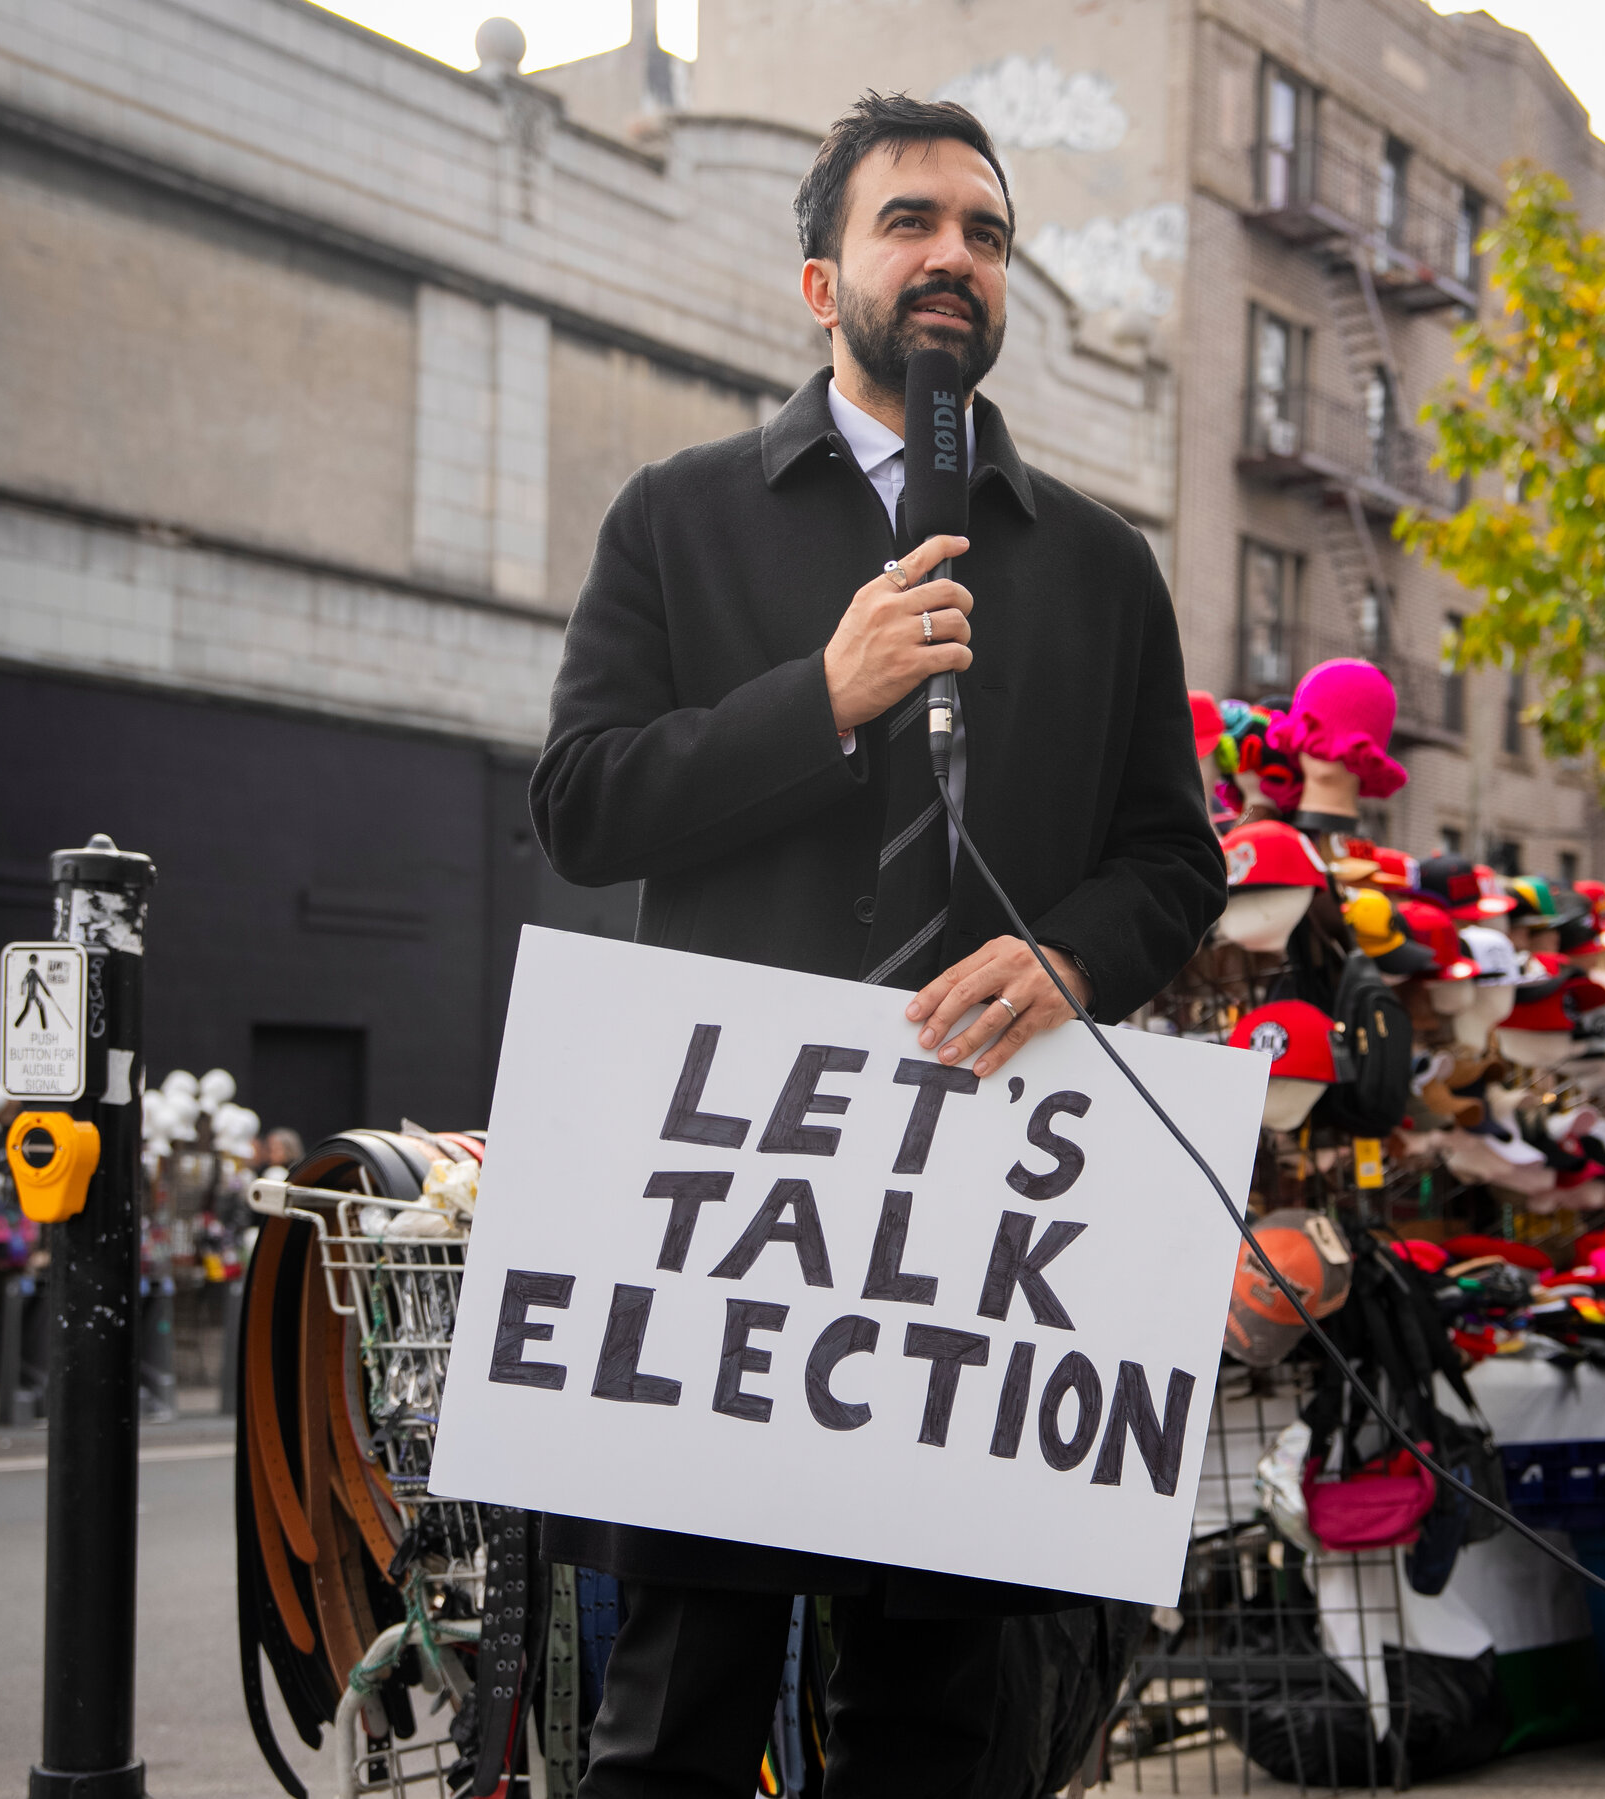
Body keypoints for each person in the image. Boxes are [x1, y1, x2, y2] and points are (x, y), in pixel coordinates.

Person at [531, 91, 1224, 1799]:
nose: (952, 259)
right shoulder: (676, 517)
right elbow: (582, 806)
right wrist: (819, 703)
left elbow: (1171, 865)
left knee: (937, 1731)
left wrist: (1067, 961)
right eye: (911, 222)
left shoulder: (1105, 569)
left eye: (985, 235)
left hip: (971, 1241)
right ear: (817, 277)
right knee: (671, 1727)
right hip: (731, 1231)